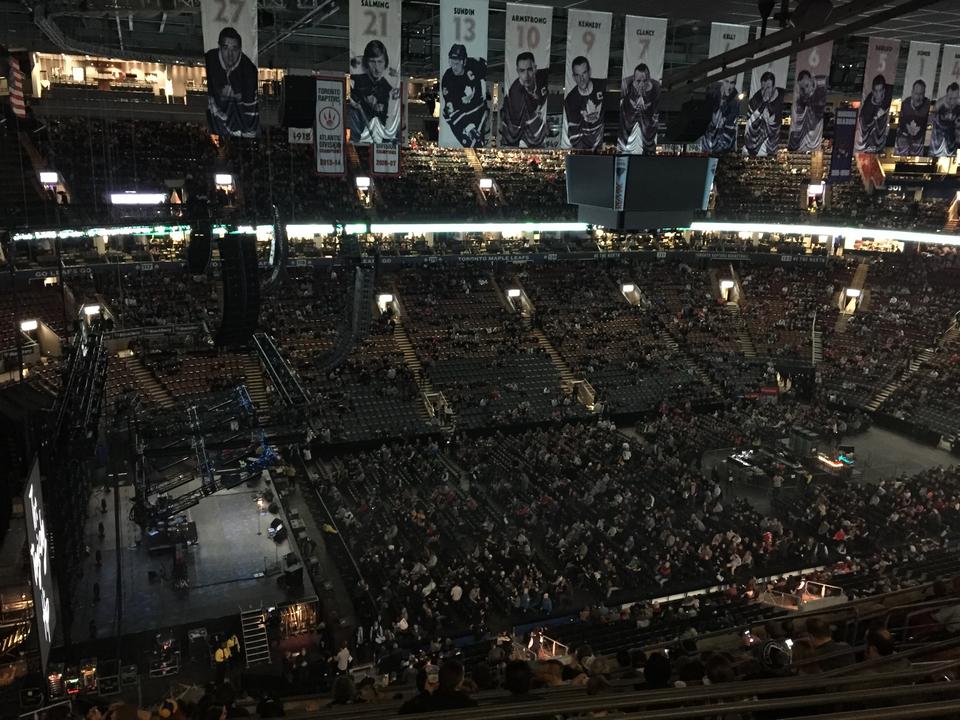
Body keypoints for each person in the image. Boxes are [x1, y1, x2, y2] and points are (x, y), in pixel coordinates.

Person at [204, 27, 259, 138]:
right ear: (219, 47)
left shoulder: (250, 71)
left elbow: (250, 111)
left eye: (234, 49)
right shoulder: (210, 59)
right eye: (225, 48)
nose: (230, 54)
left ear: (240, 49)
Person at [350, 39, 400, 145]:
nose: (376, 68)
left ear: (385, 63)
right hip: (361, 135)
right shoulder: (356, 81)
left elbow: (391, 116)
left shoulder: (389, 88)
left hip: (382, 135)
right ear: (366, 63)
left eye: (380, 62)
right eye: (372, 62)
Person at [440, 44, 489, 147]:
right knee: (446, 112)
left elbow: (485, 66)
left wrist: (485, 87)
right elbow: (451, 108)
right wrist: (468, 127)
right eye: (451, 63)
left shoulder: (475, 64)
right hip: (461, 111)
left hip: (477, 108)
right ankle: (468, 136)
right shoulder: (448, 78)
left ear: (464, 61)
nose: (454, 67)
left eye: (457, 63)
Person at [500, 52, 549, 148]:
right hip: (514, 128)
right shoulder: (516, 93)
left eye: (529, 69)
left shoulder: (543, 76)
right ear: (517, 71)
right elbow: (531, 119)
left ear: (535, 68)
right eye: (522, 71)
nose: (526, 75)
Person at [563, 56, 605, 150]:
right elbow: (574, 132)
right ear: (573, 77)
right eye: (577, 75)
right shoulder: (570, 100)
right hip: (586, 149)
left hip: (603, 144)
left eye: (584, 73)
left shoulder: (602, 86)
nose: (581, 79)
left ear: (589, 72)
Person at [618, 63, 661, 154]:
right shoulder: (627, 85)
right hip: (629, 117)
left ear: (649, 79)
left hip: (647, 119)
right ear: (633, 79)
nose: (641, 84)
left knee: (648, 139)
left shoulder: (656, 87)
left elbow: (656, 111)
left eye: (645, 81)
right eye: (638, 81)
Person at [743, 71, 784, 156]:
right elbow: (748, 117)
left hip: (773, 133)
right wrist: (762, 106)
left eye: (768, 87)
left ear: (773, 87)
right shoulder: (756, 98)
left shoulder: (781, 95)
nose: (765, 91)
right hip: (758, 130)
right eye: (763, 88)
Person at [788, 70, 828, 152]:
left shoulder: (822, 81)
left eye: (807, 85)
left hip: (820, 117)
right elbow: (798, 117)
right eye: (802, 88)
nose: (806, 90)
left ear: (811, 79)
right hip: (816, 121)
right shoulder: (802, 99)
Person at [699, 79, 740, 153]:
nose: (729, 86)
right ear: (723, 82)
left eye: (732, 83)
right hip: (709, 140)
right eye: (727, 82)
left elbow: (731, 122)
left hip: (723, 143)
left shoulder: (734, 100)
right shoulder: (713, 93)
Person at [855, 74, 892, 153]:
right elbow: (865, 123)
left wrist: (882, 109)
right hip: (871, 128)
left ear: (884, 90)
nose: (878, 94)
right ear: (873, 91)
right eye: (876, 91)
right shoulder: (868, 107)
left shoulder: (889, 90)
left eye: (880, 90)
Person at [894, 79, 930, 156]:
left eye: (921, 94)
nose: (918, 97)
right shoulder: (905, 105)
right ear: (912, 93)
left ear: (924, 94)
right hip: (904, 137)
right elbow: (901, 123)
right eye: (916, 93)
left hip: (918, 140)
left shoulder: (927, 105)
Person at [929, 82, 960, 157]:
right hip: (938, 135)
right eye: (950, 98)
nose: (952, 101)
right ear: (947, 95)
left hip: (951, 137)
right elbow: (931, 118)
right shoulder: (940, 103)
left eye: (955, 98)